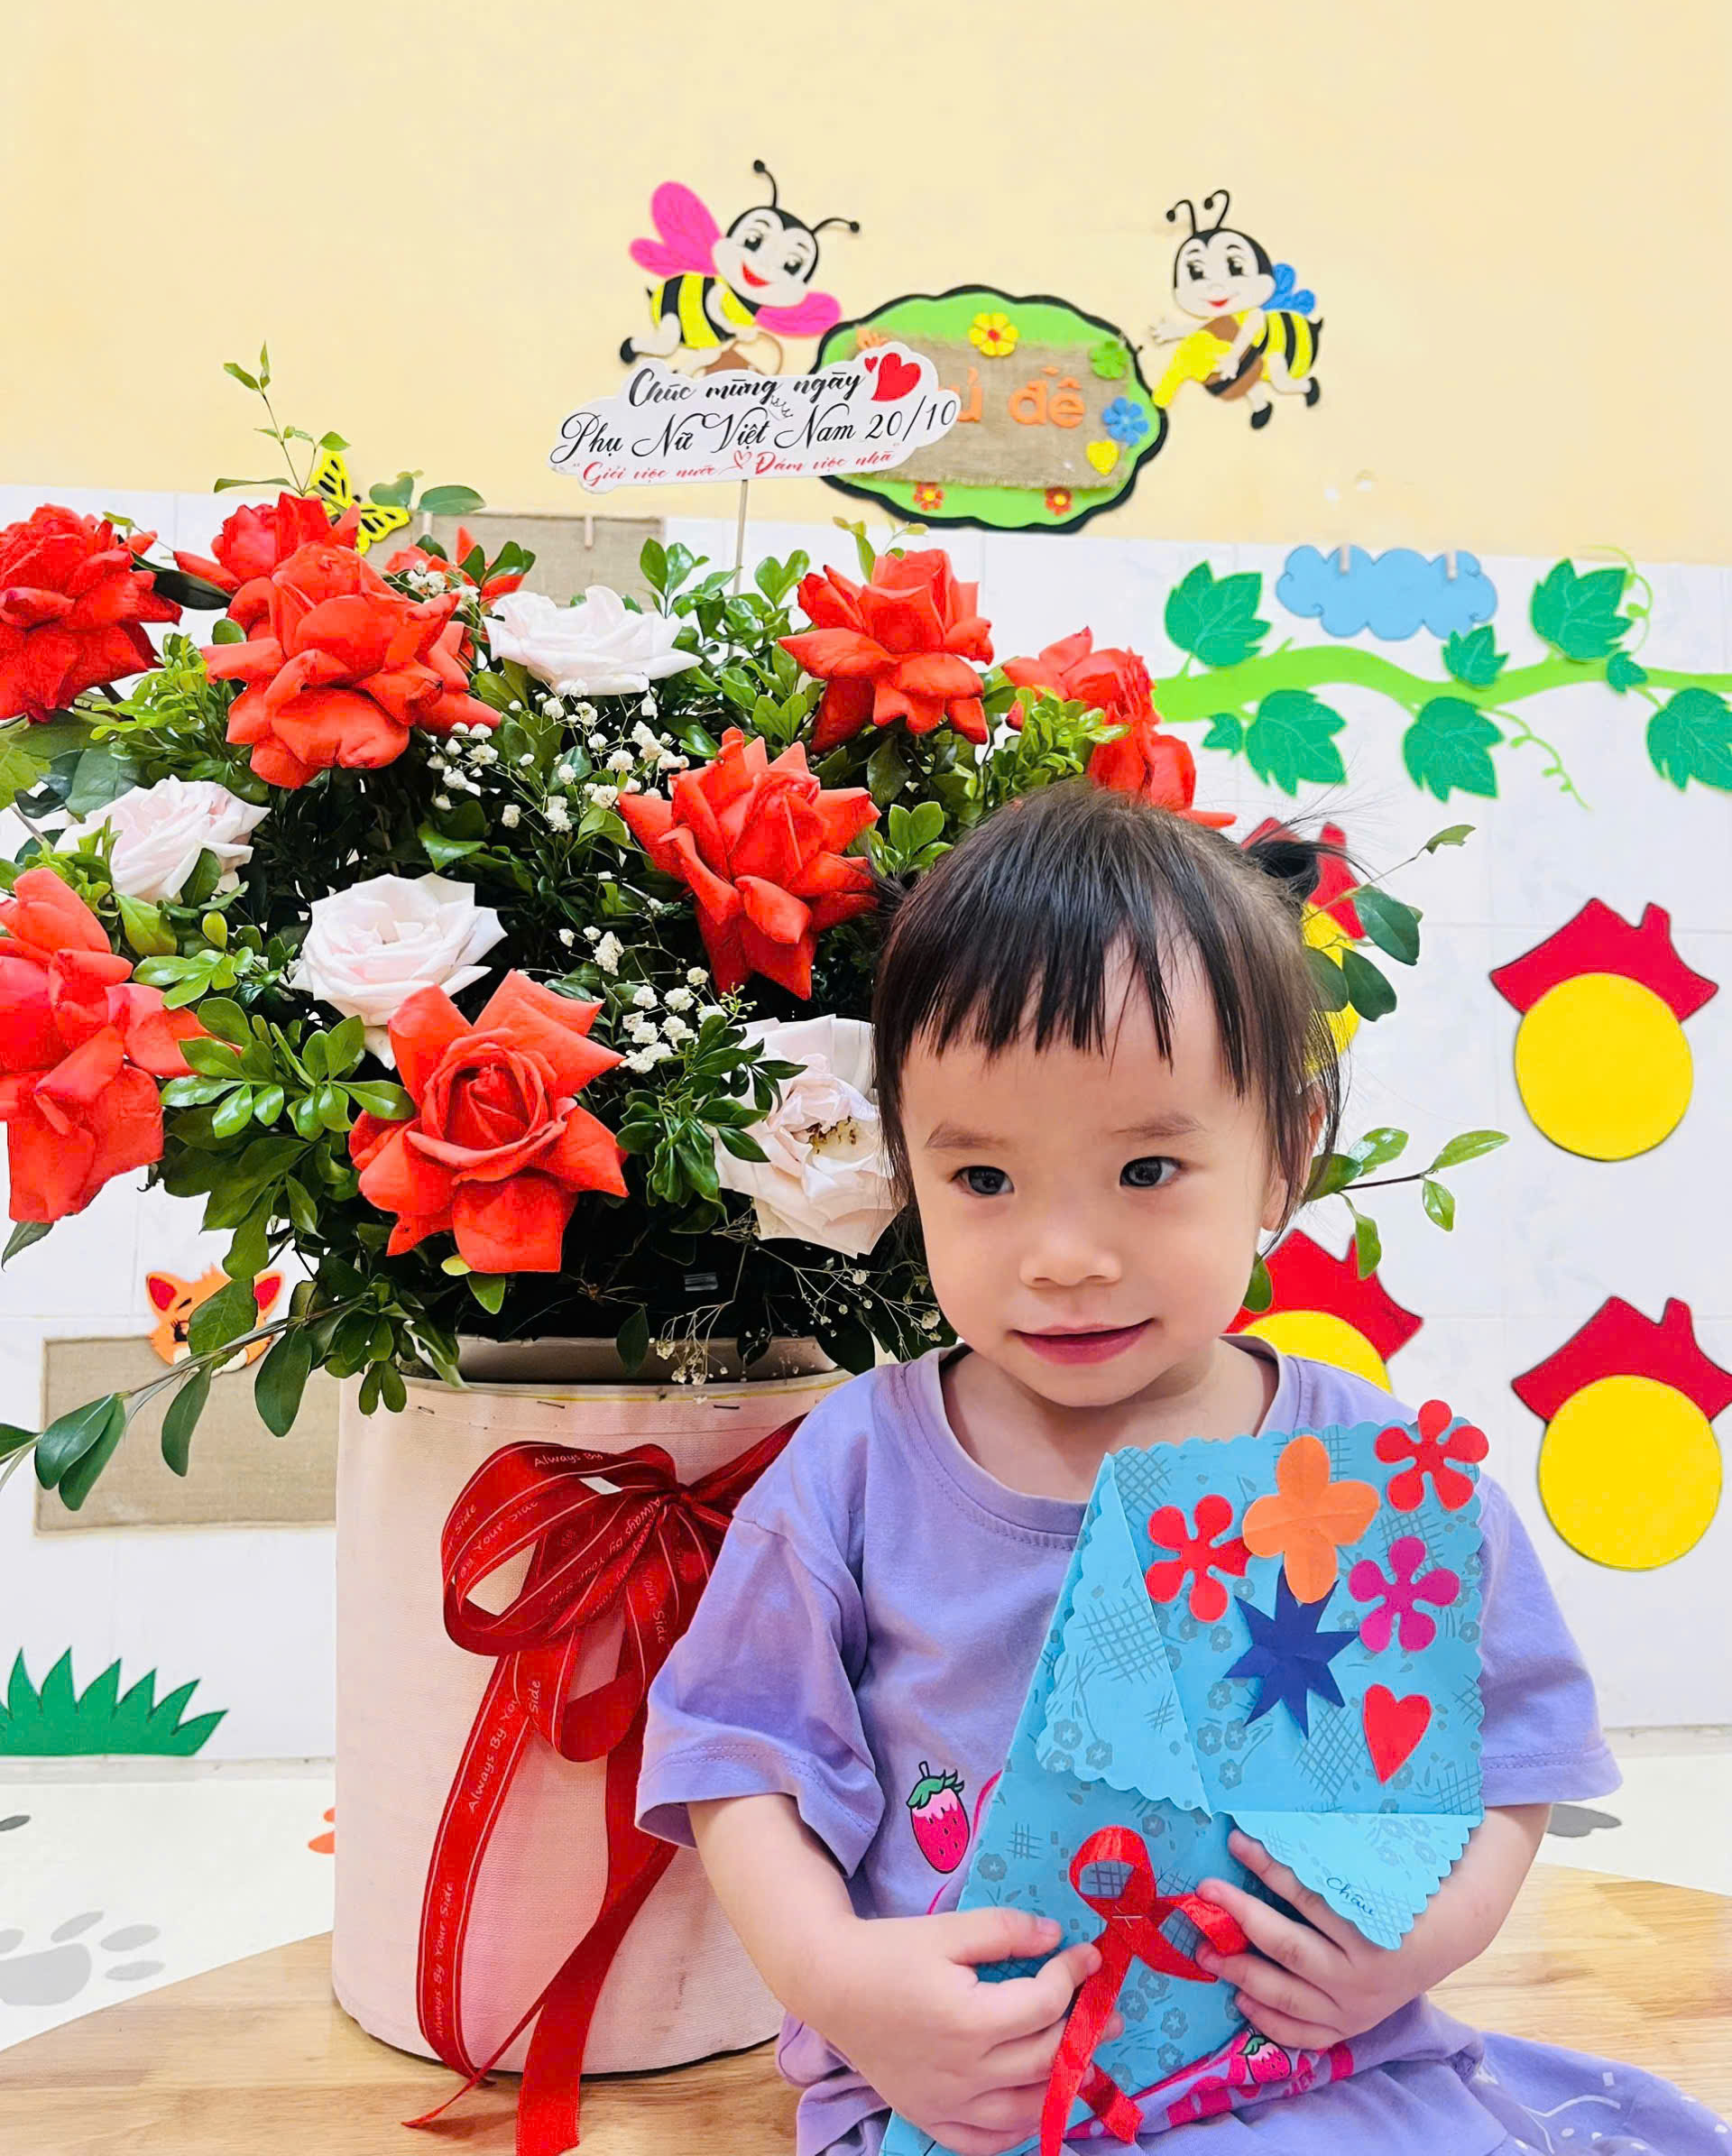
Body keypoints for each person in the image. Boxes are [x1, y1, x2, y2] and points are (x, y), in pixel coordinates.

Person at [637, 781, 1723, 2155]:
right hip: (972, 2094)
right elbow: (740, 1759)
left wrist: (1417, 1947)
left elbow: (1511, 1748)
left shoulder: (1366, 1469)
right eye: (983, 1181)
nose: (1064, 1258)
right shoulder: (853, 1467)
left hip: (1314, 2067)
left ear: (1281, 1162)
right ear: (906, 1169)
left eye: (1147, 1169)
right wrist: (841, 1982)